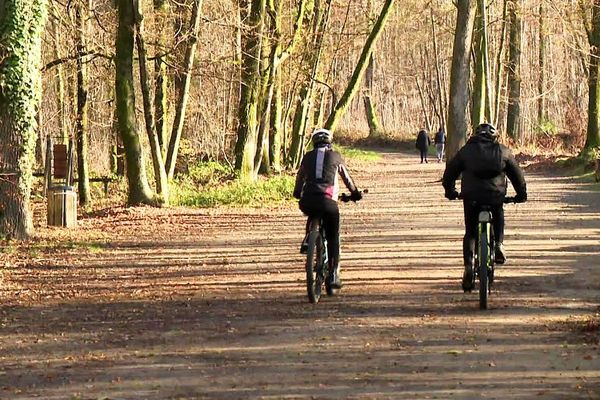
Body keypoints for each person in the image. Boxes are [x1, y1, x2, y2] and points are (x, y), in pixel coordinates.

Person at [442, 123, 527, 290]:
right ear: (494, 137)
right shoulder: (503, 151)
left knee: (471, 232)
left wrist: (450, 192)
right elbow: (517, 175)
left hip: (471, 197)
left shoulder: (466, 151)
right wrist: (521, 195)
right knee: (498, 213)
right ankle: (498, 245)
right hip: (495, 196)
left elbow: (450, 172)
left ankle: (468, 264)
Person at [293, 128, 362, 289]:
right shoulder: (335, 156)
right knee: (333, 237)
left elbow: (299, 177)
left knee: (312, 211)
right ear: (329, 142)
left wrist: (297, 193)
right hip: (328, 202)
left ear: (314, 142)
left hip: (307, 201)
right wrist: (355, 193)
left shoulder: (307, 157)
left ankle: (308, 239)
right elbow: (347, 179)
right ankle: (333, 275)